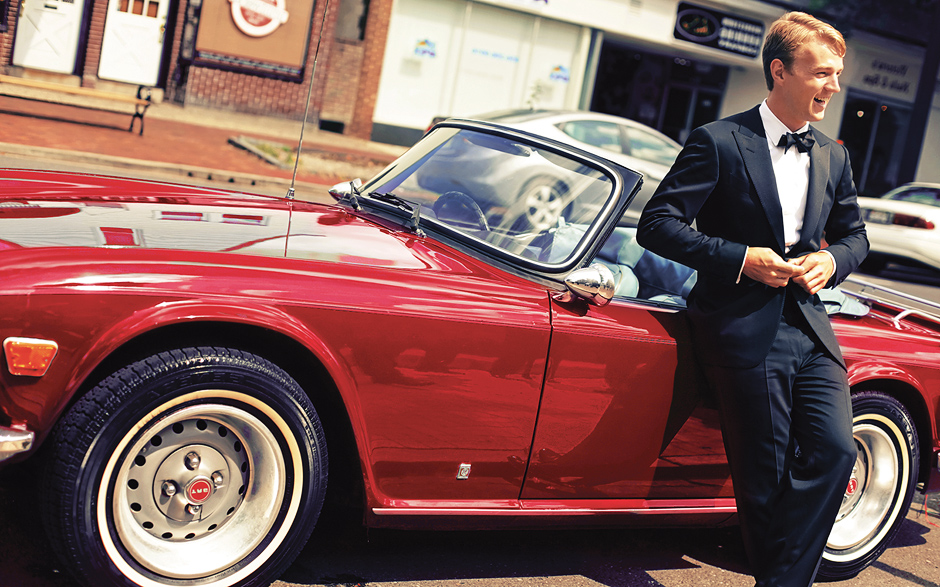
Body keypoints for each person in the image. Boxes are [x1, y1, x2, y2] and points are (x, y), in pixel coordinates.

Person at [636, 11, 868, 587]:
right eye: (820, 73)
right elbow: (658, 224)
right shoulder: (717, 140)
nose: (832, 87)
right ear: (779, 71)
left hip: (811, 327)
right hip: (741, 325)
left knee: (837, 453)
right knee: (763, 481)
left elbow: (854, 236)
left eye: (836, 74)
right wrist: (742, 258)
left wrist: (831, 260)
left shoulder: (834, 155)